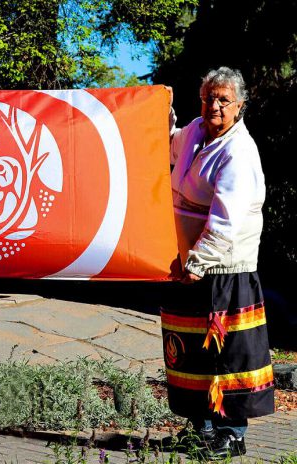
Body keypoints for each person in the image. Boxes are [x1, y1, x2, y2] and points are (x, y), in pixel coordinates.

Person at [161, 67, 274, 459]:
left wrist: (200, 260)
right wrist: (160, 115)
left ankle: (231, 433)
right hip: (184, 262)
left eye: (224, 100)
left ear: (240, 105)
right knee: (193, 352)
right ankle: (201, 429)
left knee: (225, 355)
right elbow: (169, 145)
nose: (215, 105)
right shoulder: (194, 130)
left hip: (223, 267)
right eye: (209, 97)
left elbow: (226, 220)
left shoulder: (239, 153)